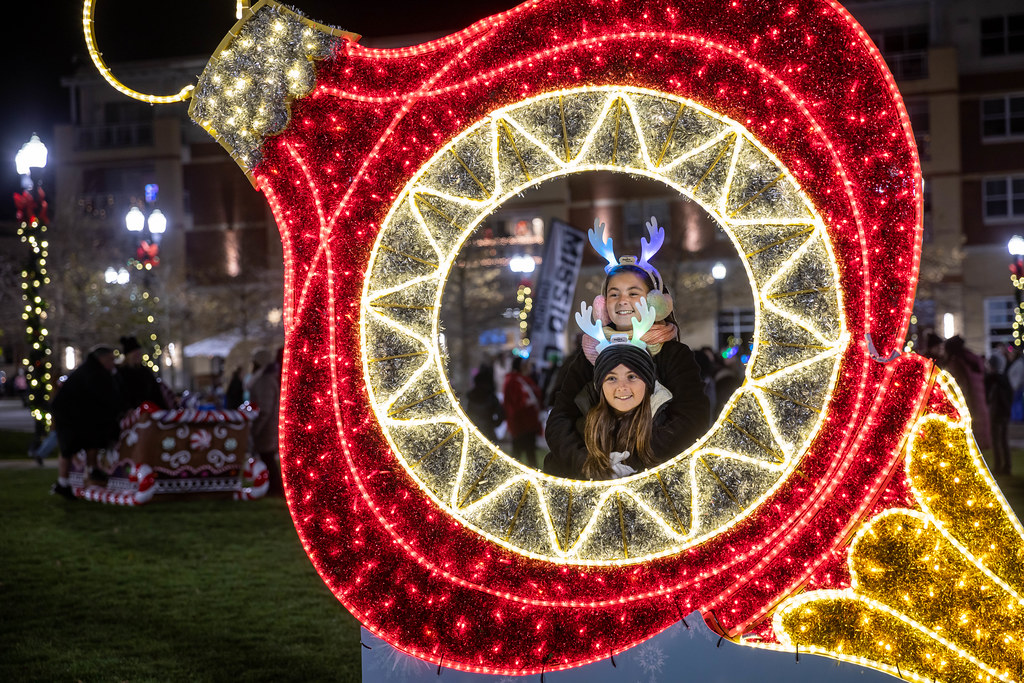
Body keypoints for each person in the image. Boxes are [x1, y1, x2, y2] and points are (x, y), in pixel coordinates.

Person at [544, 217, 708, 478]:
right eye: (614, 293)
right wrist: (590, 463)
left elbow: (692, 418)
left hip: (653, 476)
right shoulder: (588, 355)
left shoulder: (673, 355)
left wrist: (635, 464)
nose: (623, 301)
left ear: (655, 302)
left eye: (634, 293)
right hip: (590, 477)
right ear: (602, 303)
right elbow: (559, 419)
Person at [576, 306, 669, 480]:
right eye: (611, 378)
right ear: (600, 386)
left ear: (648, 382)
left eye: (632, 376)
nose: (622, 387)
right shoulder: (584, 428)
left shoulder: (664, 426)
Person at [50, 345, 122, 499]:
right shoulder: (94, 373)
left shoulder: (93, 371)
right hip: (69, 415)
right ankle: (63, 483)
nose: (113, 363)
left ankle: (90, 471)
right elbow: (104, 397)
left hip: (82, 415)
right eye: (111, 359)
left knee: (91, 441)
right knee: (68, 448)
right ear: (101, 358)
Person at [249, 348, 282, 495]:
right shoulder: (267, 378)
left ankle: (274, 488)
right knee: (267, 458)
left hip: (266, 427)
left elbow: (265, 408)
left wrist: (256, 428)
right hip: (268, 425)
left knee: (267, 457)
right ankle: (273, 487)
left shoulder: (265, 381)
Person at [503, 357, 543, 468]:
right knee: (518, 454)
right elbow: (514, 403)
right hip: (520, 422)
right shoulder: (514, 381)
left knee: (530, 453)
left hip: (529, 423)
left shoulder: (524, 380)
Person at [116, 335, 168, 413]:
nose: (138, 356)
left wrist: (163, 409)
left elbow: (156, 392)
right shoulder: (120, 372)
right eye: (135, 354)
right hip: (131, 413)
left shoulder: (145, 371)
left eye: (139, 353)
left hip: (149, 411)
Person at [985, 352, 1012, 476]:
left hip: (997, 414)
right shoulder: (1005, 379)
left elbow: (993, 398)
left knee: (997, 440)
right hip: (1005, 413)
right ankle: (1006, 466)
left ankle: (999, 466)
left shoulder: (993, 380)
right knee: (1004, 440)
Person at [466, 363, 504, 442]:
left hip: (476, 430)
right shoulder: (490, 396)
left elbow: (468, 412)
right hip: (487, 430)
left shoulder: (473, 396)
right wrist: (494, 424)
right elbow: (501, 413)